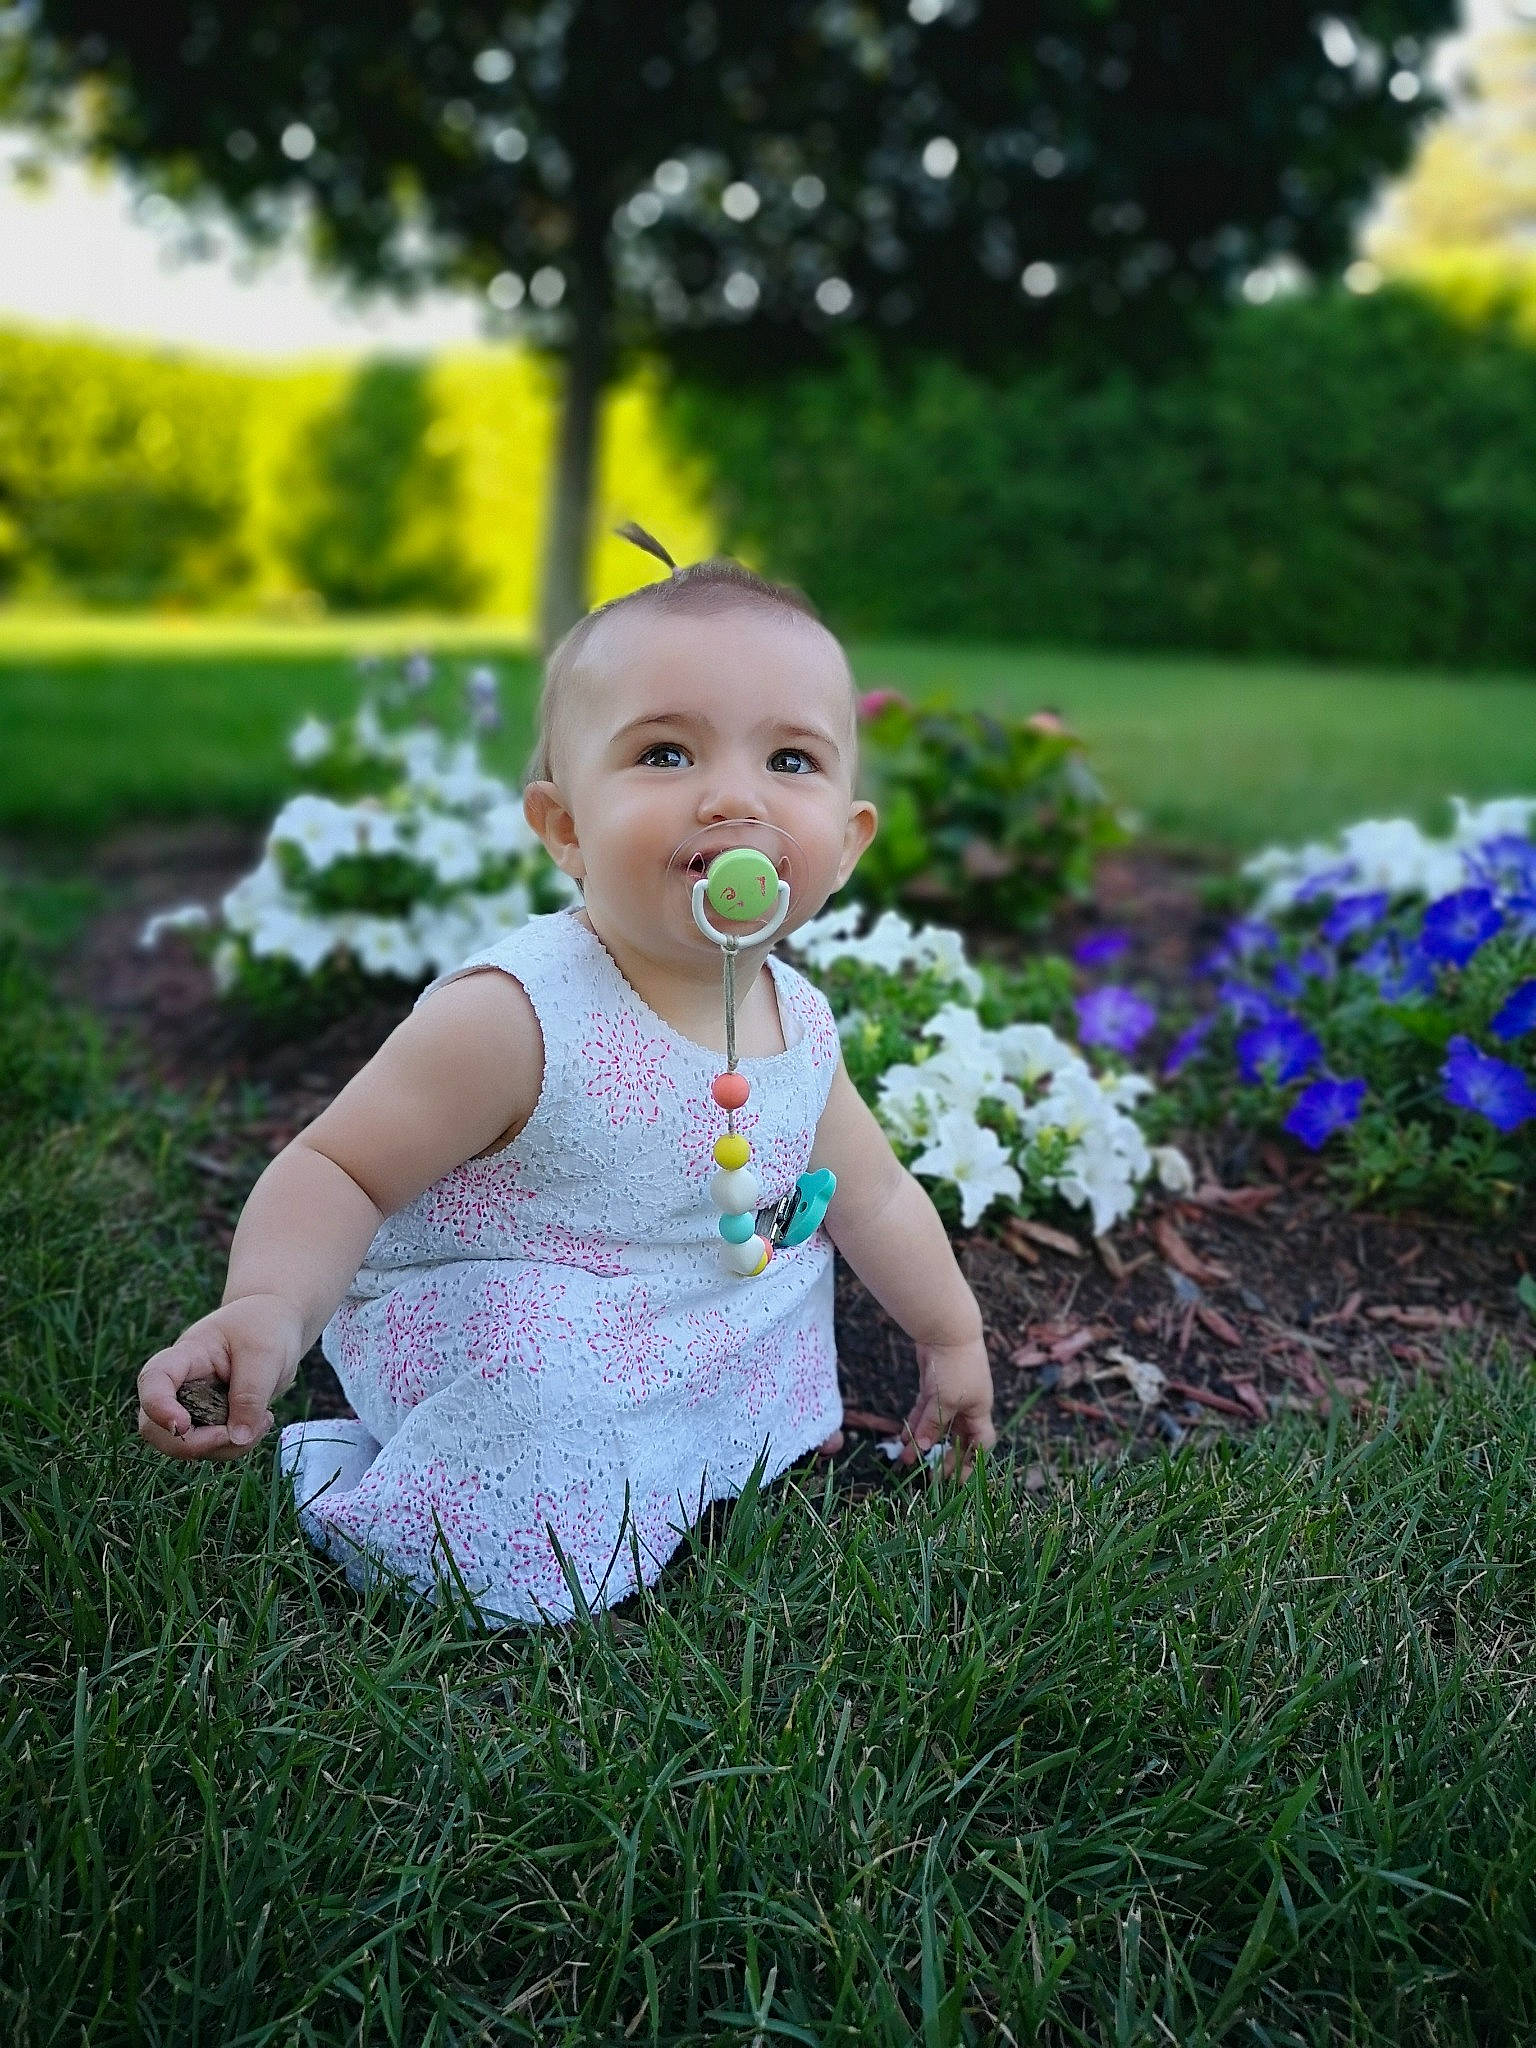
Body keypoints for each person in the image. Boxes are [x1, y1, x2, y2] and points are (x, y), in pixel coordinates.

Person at [135, 530, 997, 1627]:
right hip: (510, 1305)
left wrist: (951, 1336)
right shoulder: (516, 1014)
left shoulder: (799, 1016)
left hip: (679, 1296)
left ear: (849, 840)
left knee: (791, 1264)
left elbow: (873, 1194)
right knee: (544, 1400)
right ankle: (394, 1486)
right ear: (565, 826)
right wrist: (265, 1304)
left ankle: (685, 1448)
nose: (735, 798)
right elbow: (342, 1168)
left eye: (791, 762)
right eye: (667, 754)